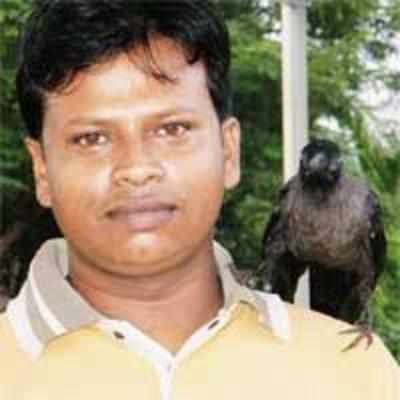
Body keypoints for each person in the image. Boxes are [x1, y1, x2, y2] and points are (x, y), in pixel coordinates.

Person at [0, 1, 398, 399]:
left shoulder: (354, 371)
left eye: (173, 129)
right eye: (92, 138)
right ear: (42, 171)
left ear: (228, 152)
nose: (137, 168)